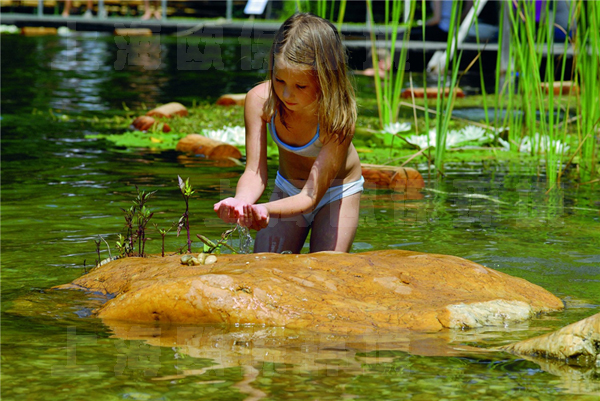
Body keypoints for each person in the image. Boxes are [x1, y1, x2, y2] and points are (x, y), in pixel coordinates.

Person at [214, 13, 364, 254]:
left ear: (325, 78)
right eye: (279, 80)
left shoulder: (337, 120)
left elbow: (310, 197)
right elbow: (254, 172)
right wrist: (242, 202)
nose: (286, 95)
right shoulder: (260, 102)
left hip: (336, 192)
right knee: (264, 266)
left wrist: (268, 210)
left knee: (325, 270)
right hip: (288, 188)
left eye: (300, 86)